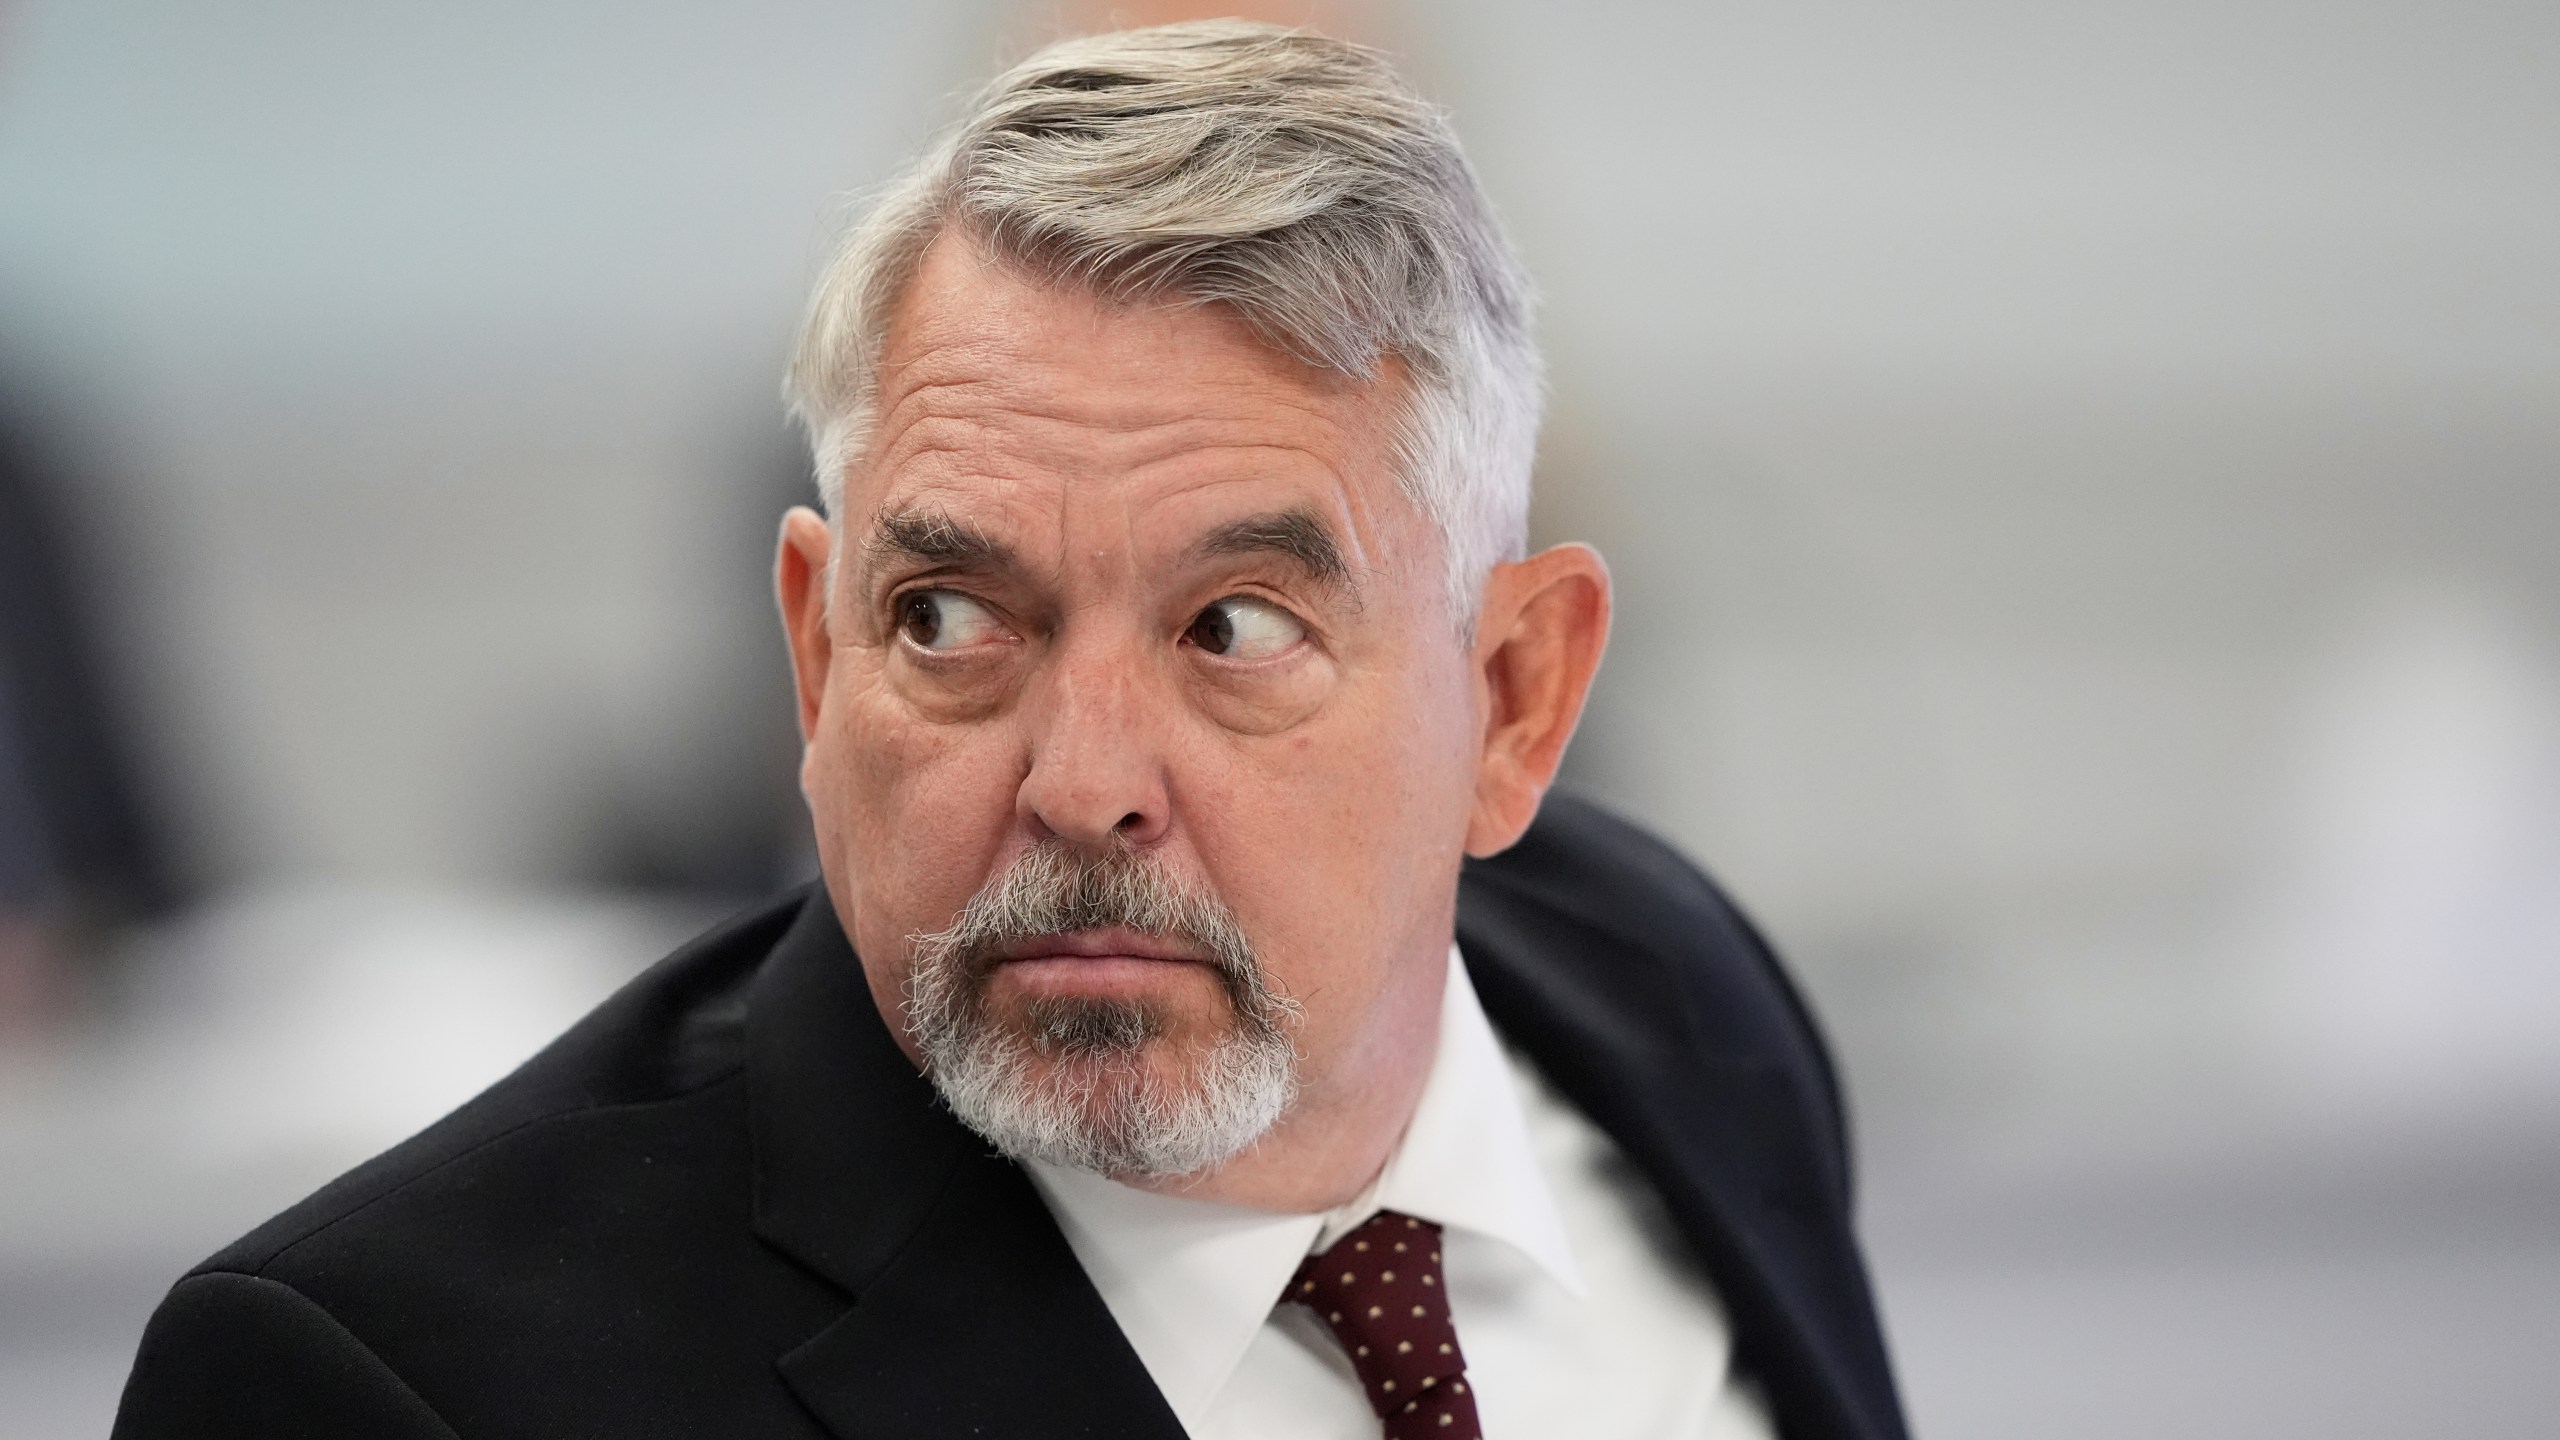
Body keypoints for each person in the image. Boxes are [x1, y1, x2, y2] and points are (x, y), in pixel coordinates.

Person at [113, 23, 1907, 1440]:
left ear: (1514, 702)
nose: (1084, 785)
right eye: (950, 622)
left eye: (1234, 630)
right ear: (816, 667)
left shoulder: (1673, 1014)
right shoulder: (389, 1387)